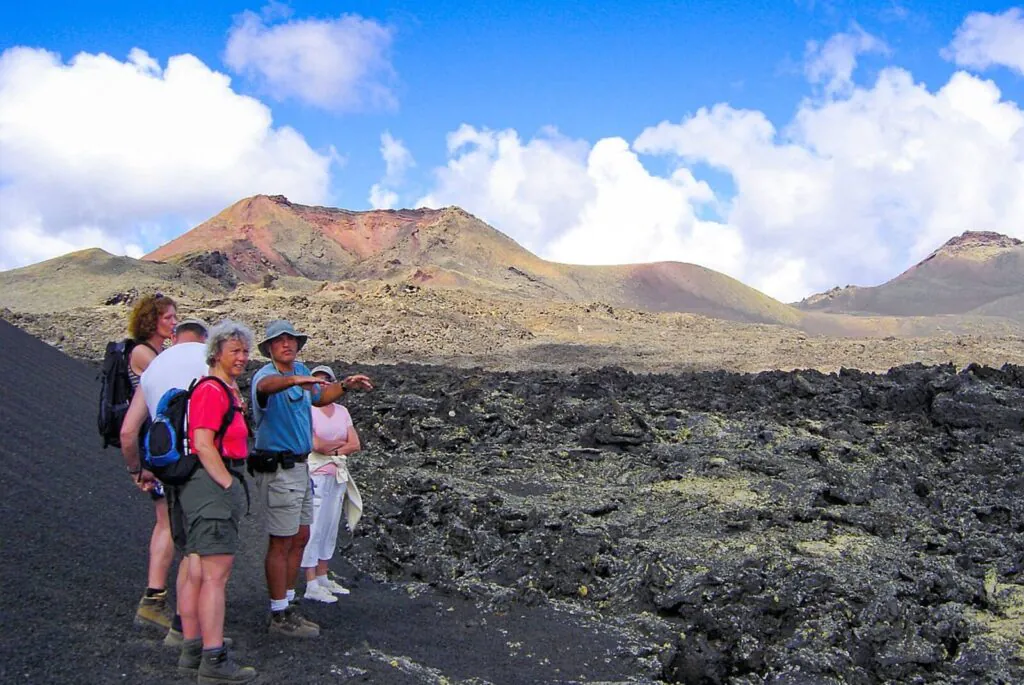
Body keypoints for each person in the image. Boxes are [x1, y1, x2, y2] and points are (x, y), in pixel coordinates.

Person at [249, 320, 372, 638]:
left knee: (300, 535)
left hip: (301, 467)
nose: (287, 344)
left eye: (292, 340)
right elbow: (265, 389)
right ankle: (278, 613)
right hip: (279, 468)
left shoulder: (302, 369)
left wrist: (345, 385)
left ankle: (289, 604)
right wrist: (292, 380)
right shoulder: (266, 376)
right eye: (280, 341)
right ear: (270, 348)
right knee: (281, 539)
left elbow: (319, 397)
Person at [176, 319, 257, 683]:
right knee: (214, 577)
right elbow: (203, 442)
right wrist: (227, 484)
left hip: (203, 488)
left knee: (197, 571)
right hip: (211, 488)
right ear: (217, 353)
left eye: (245, 351)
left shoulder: (225, 387)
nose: (242, 357)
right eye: (235, 351)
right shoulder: (212, 390)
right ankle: (213, 660)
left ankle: (193, 651)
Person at [120, 319, 209, 641]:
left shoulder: (156, 367)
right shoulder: (211, 360)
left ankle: (155, 600)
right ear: (205, 338)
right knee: (200, 547)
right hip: (201, 466)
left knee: (170, 528)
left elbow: (128, 431)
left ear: (174, 337)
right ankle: (188, 628)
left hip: (163, 463)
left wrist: (136, 470)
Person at [121, 295, 180, 632]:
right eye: (168, 318)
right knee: (167, 522)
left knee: (168, 520)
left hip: (155, 447)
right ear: (152, 321)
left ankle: (157, 597)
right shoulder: (144, 354)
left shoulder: (155, 354)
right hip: (153, 449)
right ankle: (153, 599)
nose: (173, 323)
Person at [301, 365, 363, 603]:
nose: (321, 385)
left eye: (326, 381)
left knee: (329, 525)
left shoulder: (342, 411)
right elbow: (316, 445)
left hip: (337, 472)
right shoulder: (307, 410)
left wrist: (334, 449)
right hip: (316, 473)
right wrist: (339, 447)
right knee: (314, 526)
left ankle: (323, 574)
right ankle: (310, 582)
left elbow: (355, 443)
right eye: (317, 381)